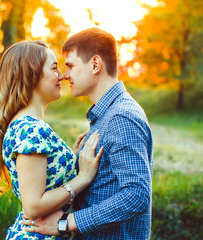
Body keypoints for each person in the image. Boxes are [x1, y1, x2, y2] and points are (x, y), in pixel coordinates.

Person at [23, 28, 153, 239]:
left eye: (71, 66)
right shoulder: (107, 115)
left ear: (95, 64)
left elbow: (136, 195)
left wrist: (67, 223)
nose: (65, 75)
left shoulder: (121, 118)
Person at [0, 40, 104, 239]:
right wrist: (83, 178)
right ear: (32, 76)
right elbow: (33, 205)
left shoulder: (27, 126)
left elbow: (46, 179)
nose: (62, 75)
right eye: (54, 68)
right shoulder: (31, 129)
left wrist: (69, 159)